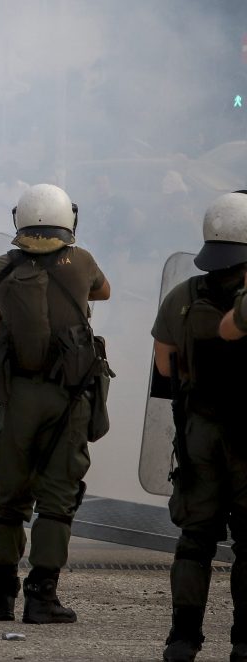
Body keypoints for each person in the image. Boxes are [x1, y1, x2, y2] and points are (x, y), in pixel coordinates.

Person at [0, 184, 110, 624]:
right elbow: (103, 293)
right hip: (68, 397)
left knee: (9, 497)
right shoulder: (81, 261)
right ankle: (42, 598)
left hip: (18, 395)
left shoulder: (2, 265)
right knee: (57, 498)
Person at [153, 192, 247, 662]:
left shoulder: (182, 296)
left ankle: (182, 639)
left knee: (195, 541)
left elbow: (165, 371)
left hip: (198, 433)